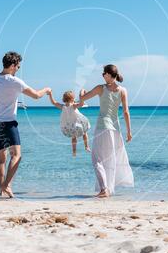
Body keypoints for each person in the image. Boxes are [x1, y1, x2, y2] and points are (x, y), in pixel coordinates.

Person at [0, 51, 50, 198]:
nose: (18, 69)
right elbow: (37, 96)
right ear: (13, 65)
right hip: (9, 123)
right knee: (17, 155)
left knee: (1, 159)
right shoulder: (15, 82)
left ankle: (3, 190)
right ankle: (6, 185)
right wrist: (46, 89)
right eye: (18, 66)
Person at [79, 64, 134, 198]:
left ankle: (105, 189)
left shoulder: (101, 88)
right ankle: (107, 188)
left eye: (104, 73)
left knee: (97, 159)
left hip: (103, 127)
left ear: (109, 75)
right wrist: (129, 131)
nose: (103, 76)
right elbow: (126, 112)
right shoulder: (123, 90)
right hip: (116, 129)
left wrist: (81, 91)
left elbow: (83, 98)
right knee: (111, 160)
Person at [48, 90, 90, 156]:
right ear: (72, 99)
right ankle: (86, 146)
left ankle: (74, 152)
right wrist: (81, 94)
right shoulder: (73, 106)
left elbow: (54, 102)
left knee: (73, 138)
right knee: (84, 133)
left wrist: (50, 94)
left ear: (64, 99)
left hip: (69, 126)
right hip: (77, 124)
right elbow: (81, 104)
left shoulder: (62, 107)